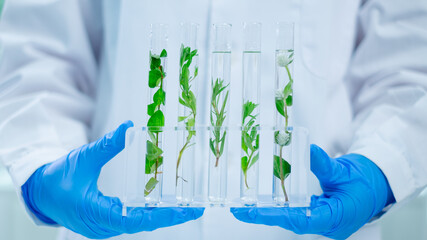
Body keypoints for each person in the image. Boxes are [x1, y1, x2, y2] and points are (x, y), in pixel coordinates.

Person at [0, 0, 426, 240]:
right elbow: (40, 48)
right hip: (123, 222)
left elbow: (409, 57)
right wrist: (42, 163)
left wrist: (384, 164)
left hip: (306, 223)